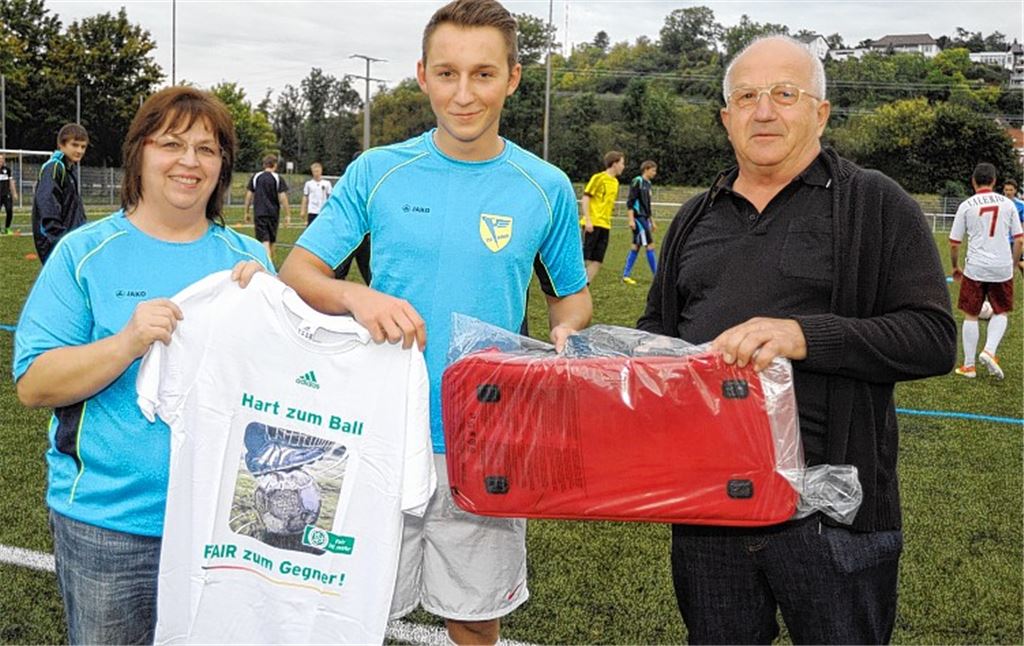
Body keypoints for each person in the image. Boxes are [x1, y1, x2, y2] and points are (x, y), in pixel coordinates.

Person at [278, 1, 591, 643]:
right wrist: (358, 298)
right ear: (422, 75)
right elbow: (298, 274)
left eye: (483, 74)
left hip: (487, 432)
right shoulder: (377, 171)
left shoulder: (546, 186)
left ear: (513, 78)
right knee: (355, 613)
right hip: (378, 431)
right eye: (447, 74)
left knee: (475, 619)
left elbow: (571, 298)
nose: (464, 93)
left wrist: (567, 334)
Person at [638, 35, 955, 644]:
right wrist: (612, 360)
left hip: (833, 516)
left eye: (785, 94)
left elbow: (933, 337)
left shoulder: (875, 203)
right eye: (747, 96)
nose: (764, 111)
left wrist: (805, 336)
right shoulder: (695, 217)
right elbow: (661, 331)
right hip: (711, 510)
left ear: (821, 111)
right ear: (726, 117)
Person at [14, 86, 270, 645]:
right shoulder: (83, 253)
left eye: (207, 149)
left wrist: (271, 314)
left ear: (223, 164)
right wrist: (127, 342)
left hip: (223, 526)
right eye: (172, 144)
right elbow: (34, 385)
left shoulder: (252, 263)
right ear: (140, 154)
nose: (189, 161)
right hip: (110, 524)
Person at [949, 163, 1023, 380]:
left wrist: (955, 266)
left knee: (971, 314)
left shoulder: (966, 205)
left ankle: (969, 367)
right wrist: (1012, 264)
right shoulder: (1008, 204)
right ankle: (990, 351)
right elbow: (1019, 239)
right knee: (1001, 311)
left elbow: (954, 243)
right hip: (1001, 266)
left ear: (973, 181)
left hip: (975, 267)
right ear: (994, 181)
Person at [31, 123, 89, 263]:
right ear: (61, 145)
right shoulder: (54, 168)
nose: (79, 150)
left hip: (71, 241)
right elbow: (47, 208)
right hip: (58, 245)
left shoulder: (70, 169)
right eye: (74, 145)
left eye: (83, 146)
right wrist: (60, 241)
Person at [580, 150, 625, 283]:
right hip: (592, 224)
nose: (623, 167)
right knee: (583, 258)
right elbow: (586, 198)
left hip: (605, 225)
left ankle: (584, 286)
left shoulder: (616, 183)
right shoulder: (598, 178)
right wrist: (588, 220)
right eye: (622, 163)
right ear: (614, 163)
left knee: (598, 260)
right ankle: (572, 286)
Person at [244, 153, 291, 260]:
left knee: (264, 242)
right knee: (271, 242)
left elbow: (248, 196)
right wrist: (288, 214)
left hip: (260, 213)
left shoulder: (256, 177)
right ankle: (270, 266)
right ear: (275, 165)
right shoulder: (278, 178)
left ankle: (267, 267)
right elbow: (283, 197)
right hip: (274, 214)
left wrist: (246, 211)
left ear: (264, 164)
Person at [621, 160, 658, 285]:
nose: (655, 173)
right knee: (650, 245)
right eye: (653, 170)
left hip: (644, 218)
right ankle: (657, 276)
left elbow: (647, 205)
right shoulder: (638, 181)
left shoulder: (648, 184)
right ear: (646, 169)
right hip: (638, 218)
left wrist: (651, 221)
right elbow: (630, 201)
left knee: (636, 246)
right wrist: (631, 219)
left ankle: (626, 275)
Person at [1001, 178, 1024, 276]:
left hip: (1014, 240)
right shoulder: (999, 203)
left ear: (1015, 190)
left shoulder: (1021, 205)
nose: (1008, 192)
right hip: (1001, 239)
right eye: (1006, 190)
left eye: (1011, 190)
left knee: (1021, 264)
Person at [300, 161, 332, 226]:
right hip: (312, 210)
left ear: (321, 171)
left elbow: (330, 196)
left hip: (323, 210)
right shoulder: (308, 184)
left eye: (318, 171)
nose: (316, 173)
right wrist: (303, 210)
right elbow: (305, 197)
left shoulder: (327, 183)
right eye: (315, 171)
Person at [0, 152, 18, 235]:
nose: (1, 160)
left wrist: (14, 193)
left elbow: (11, 181)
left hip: (6, 194)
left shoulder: (7, 170)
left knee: (9, 210)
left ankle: (7, 228)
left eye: (2, 159)